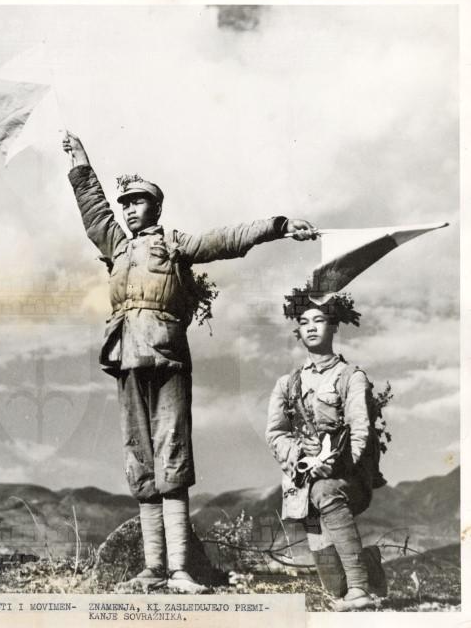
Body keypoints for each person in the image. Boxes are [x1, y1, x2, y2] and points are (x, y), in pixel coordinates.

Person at [62, 131, 317, 592]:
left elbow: (226, 239)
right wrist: (80, 161)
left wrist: (279, 226)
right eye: (126, 203)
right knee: (139, 459)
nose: (130, 209)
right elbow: (93, 209)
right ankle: (152, 568)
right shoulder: (116, 246)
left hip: (168, 359)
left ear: (156, 208)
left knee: (173, 454)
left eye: (139, 202)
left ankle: (180, 570)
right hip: (125, 357)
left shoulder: (175, 244)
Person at [265, 288, 387, 611]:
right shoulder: (287, 384)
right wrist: (300, 456)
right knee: (333, 586)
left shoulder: (351, 377)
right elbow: (275, 434)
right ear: (298, 332)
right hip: (304, 483)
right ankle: (368, 565)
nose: (311, 327)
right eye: (304, 322)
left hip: (348, 477)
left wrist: (335, 465)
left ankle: (359, 590)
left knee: (325, 490)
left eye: (319, 320)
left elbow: (360, 431)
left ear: (333, 326)